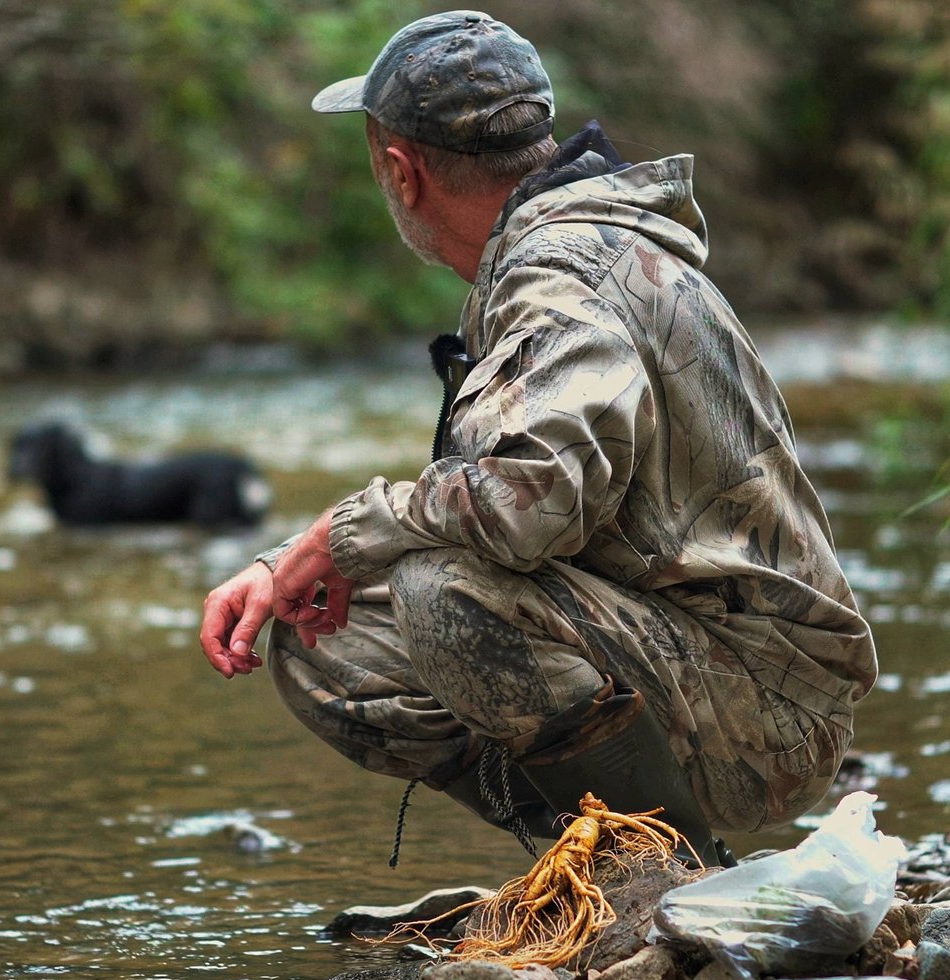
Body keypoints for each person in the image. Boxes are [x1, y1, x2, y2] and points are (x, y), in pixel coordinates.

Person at [197, 10, 878, 866]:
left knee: (444, 591)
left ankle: (655, 874)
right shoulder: (555, 251)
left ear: (402, 172)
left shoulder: (558, 276)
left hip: (766, 710)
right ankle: (587, 850)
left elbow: (527, 505)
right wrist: (292, 564)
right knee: (318, 636)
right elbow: (510, 498)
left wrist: (341, 531)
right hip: (706, 658)